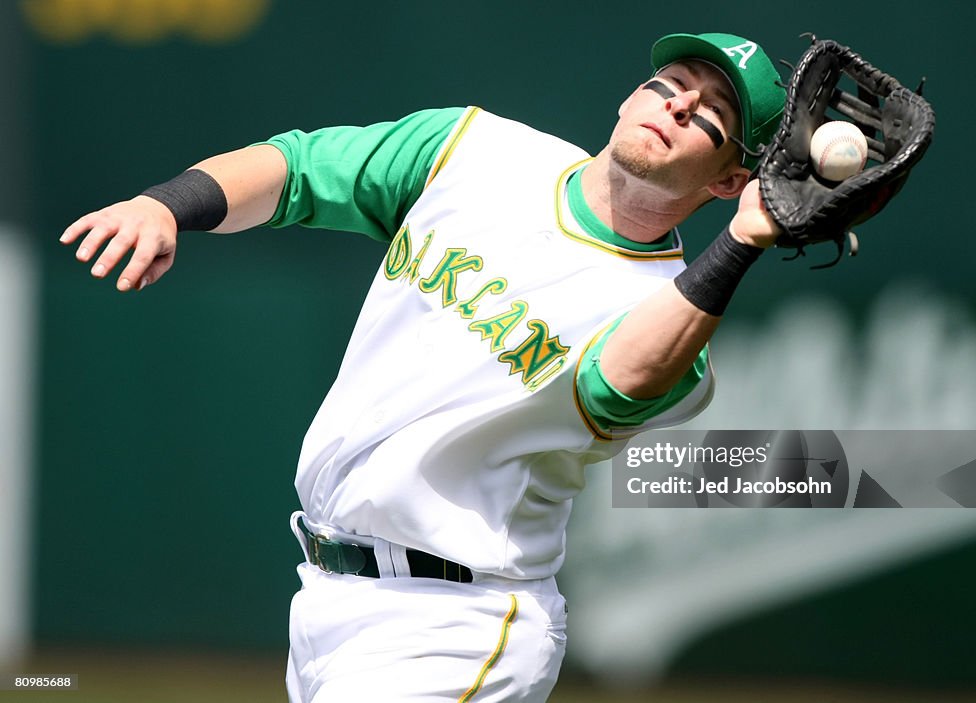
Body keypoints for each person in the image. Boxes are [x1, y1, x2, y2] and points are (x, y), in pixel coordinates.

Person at [62, 31, 786, 703]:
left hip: (456, 622)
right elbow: (299, 169)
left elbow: (614, 383)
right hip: (323, 588)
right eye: (671, 83)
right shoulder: (476, 150)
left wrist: (744, 242)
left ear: (728, 182)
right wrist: (166, 205)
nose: (680, 105)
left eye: (711, 115)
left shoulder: (672, 324)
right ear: (631, 96)